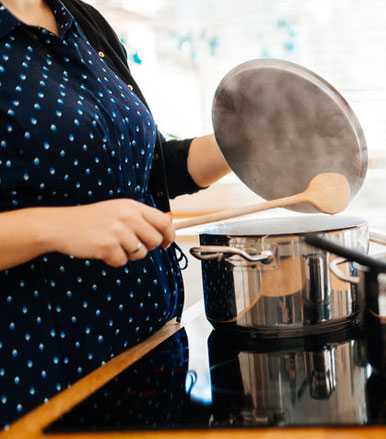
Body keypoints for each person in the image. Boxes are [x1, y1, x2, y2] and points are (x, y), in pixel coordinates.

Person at [0, 0, 231, 427]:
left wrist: (244, 142)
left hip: (147, 355)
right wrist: (56, 226)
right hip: (42, 379)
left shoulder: (80, 18)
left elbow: (143, 169)